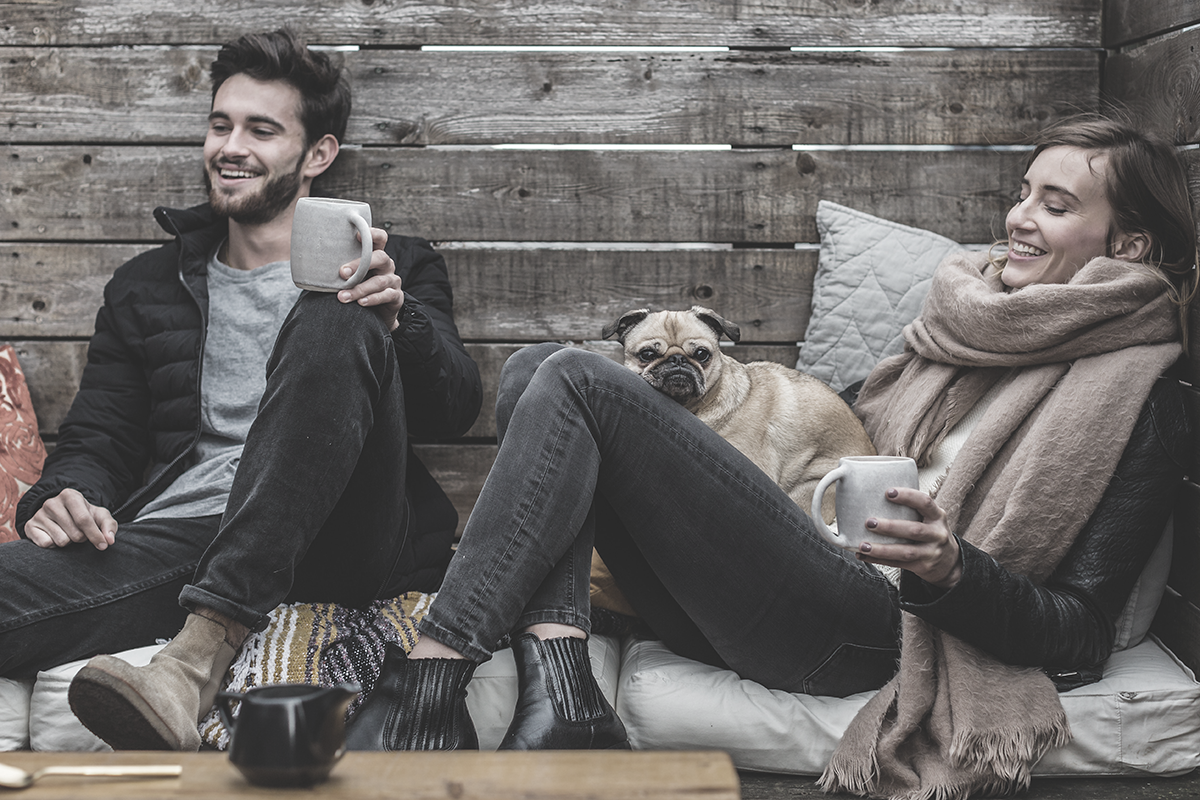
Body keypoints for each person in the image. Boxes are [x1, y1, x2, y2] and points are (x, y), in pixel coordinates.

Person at [342, 115, 1194, 797]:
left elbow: (1082, 634)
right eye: (1021, 193)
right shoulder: (967, 324)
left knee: (571, 377)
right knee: (538, 371)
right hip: (802, 582)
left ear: (1127, 247)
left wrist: (951, 569)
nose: (1017, 217)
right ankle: (567, 696)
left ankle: (429, 681)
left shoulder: (1133, 391)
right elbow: (854, 445)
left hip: (880, 631)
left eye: (1054, 204)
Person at [3, 29, 482, 752]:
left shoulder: (396, 262)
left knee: (336, 302)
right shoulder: (144, 288)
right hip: (185, 541)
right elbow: (101, 439)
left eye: (261, 130)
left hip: (341, 531)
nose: (231, 146)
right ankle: (213, 616)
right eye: (220, 124)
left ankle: (197, 656)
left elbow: (456, 406)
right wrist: (58, 497)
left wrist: (398, 317)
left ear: (317, 153)